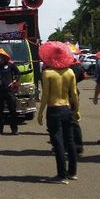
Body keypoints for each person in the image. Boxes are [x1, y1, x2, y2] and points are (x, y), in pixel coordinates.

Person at [37, 42, 79, 184]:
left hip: (54, 109)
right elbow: (74, 94)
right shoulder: (70, 72)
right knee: (70, 140)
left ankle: (62, 175)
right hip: (67, 107)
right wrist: (77, 110)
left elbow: (45, 95)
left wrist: (40, 112)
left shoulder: (48, 73)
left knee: (58, 142)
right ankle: (72, 172)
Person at [0, 48, 21, 134]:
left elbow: (18, 74)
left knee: (12, 110)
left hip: (9, 91)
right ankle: (0, 128)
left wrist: (14, 81)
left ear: (3, 57)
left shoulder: (10, 65)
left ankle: (14, 129)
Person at [69, 59, 87, 154]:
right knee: (74, 121)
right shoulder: (77, 65)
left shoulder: (64, 67)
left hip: (65, 96)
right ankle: (78, 145)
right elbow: (84, 75)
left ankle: (69, 145)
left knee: (65, 122)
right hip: (73, 93)